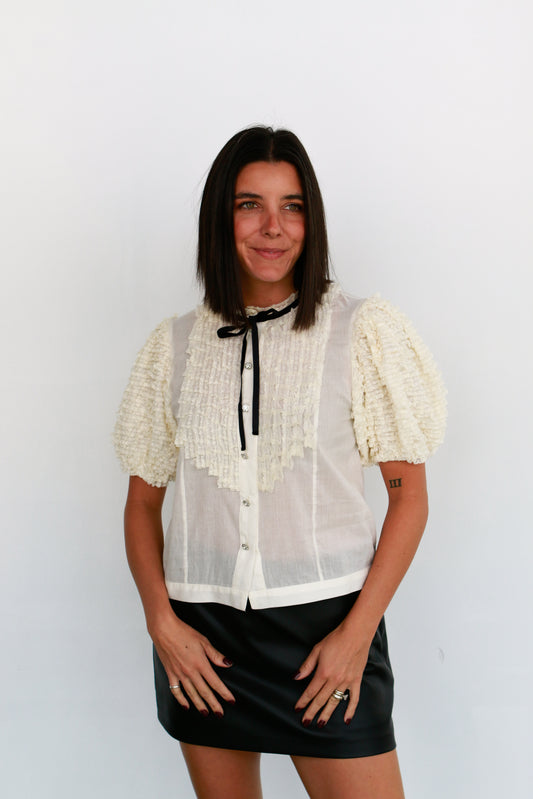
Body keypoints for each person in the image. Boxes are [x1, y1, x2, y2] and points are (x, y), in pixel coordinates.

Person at [114, 126, 446, 799]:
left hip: (325, 634)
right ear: (221, 217)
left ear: (311, 219)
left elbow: (408, 497)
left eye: (292, 206)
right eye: (249, 205)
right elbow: (143, 501)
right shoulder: (175, 345)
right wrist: (161, 624)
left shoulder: (360, 331)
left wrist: (357, 636)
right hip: (200, 641)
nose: (273, 227)